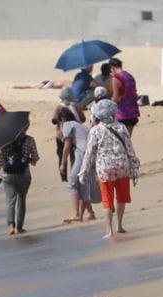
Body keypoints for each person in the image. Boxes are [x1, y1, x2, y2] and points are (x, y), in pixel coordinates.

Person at [78, 99, 140, 240]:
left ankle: (109, 230)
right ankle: (119, 225)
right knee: (121, 198)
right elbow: (130, 149)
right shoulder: (122, 128)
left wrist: (84, 171)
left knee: (108, 201)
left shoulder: (95, 131)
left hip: (105, 170)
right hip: (122, 167)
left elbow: (89, 154)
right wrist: (134, 168)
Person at [56, 107, 99, 224]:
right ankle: (87, 215)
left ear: (63, 119)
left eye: (59, 123)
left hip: (83, 153)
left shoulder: (67, 124)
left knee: (72, 183)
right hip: (93, 154)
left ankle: (76, 214)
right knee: (84, 185)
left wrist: (63, 164)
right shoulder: (80, 125)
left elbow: (67, 145)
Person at [0, 124, 39, 236]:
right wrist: (28, 159)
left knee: (10, 200)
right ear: (27, 127)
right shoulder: (30, 140)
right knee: (21, 200)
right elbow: (35, 159)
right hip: (23, 174)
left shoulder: (6, 140)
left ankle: (11, 225)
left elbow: (1, 157)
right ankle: (19, 227)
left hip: (7, 174)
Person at [108, 57, 139, 136]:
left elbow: (116, 99)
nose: (111, 72)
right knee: (127, 141)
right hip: (133, 113)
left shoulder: (116, 79)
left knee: (121, 142)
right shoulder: (130, 76)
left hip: (122, 115)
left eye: (111, 70)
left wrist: (109, 100)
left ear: (112, 67)